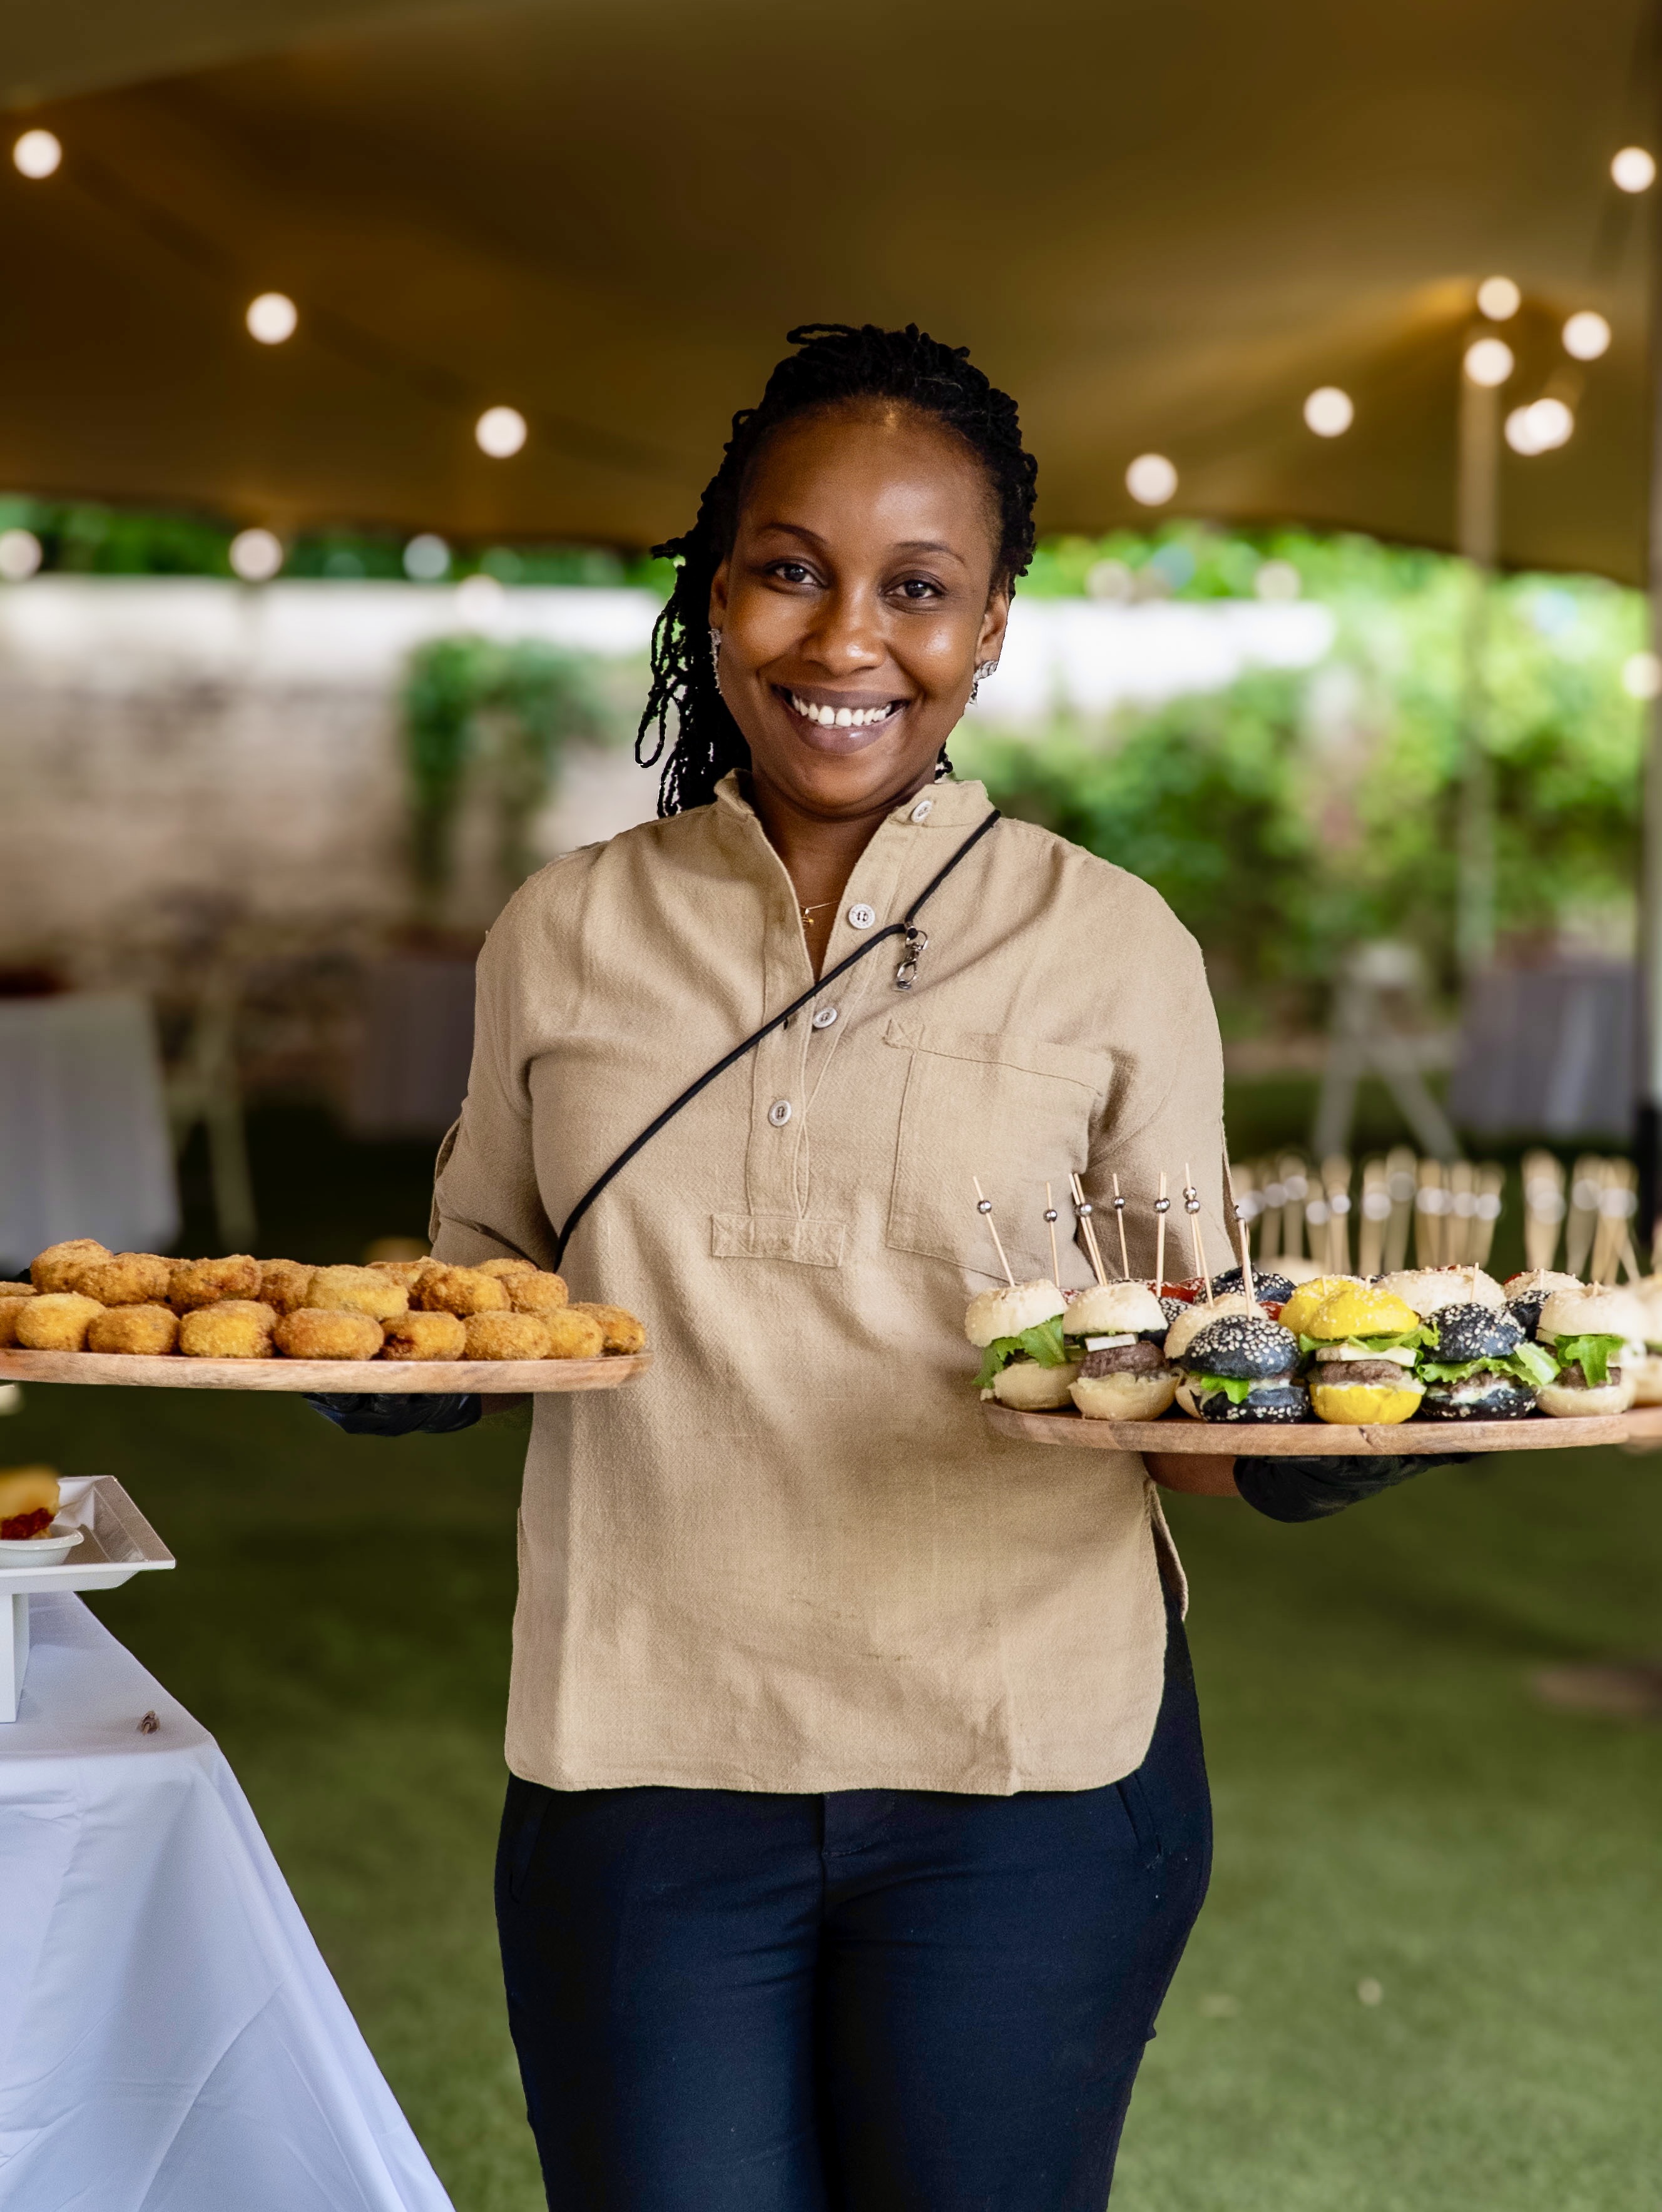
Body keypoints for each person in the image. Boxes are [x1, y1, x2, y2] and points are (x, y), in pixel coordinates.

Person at [314, 322, 1462, 2210]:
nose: (847, 643)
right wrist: (381, 1363)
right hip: (644, 1754)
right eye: (790, 571)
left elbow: (1165, 1376)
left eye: (917, 590)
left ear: (993, 623)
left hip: (1025, 1771)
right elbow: (486, 1290)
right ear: (718, 586)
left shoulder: (1114, 950)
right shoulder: (565, 931)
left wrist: (1304, 1439)